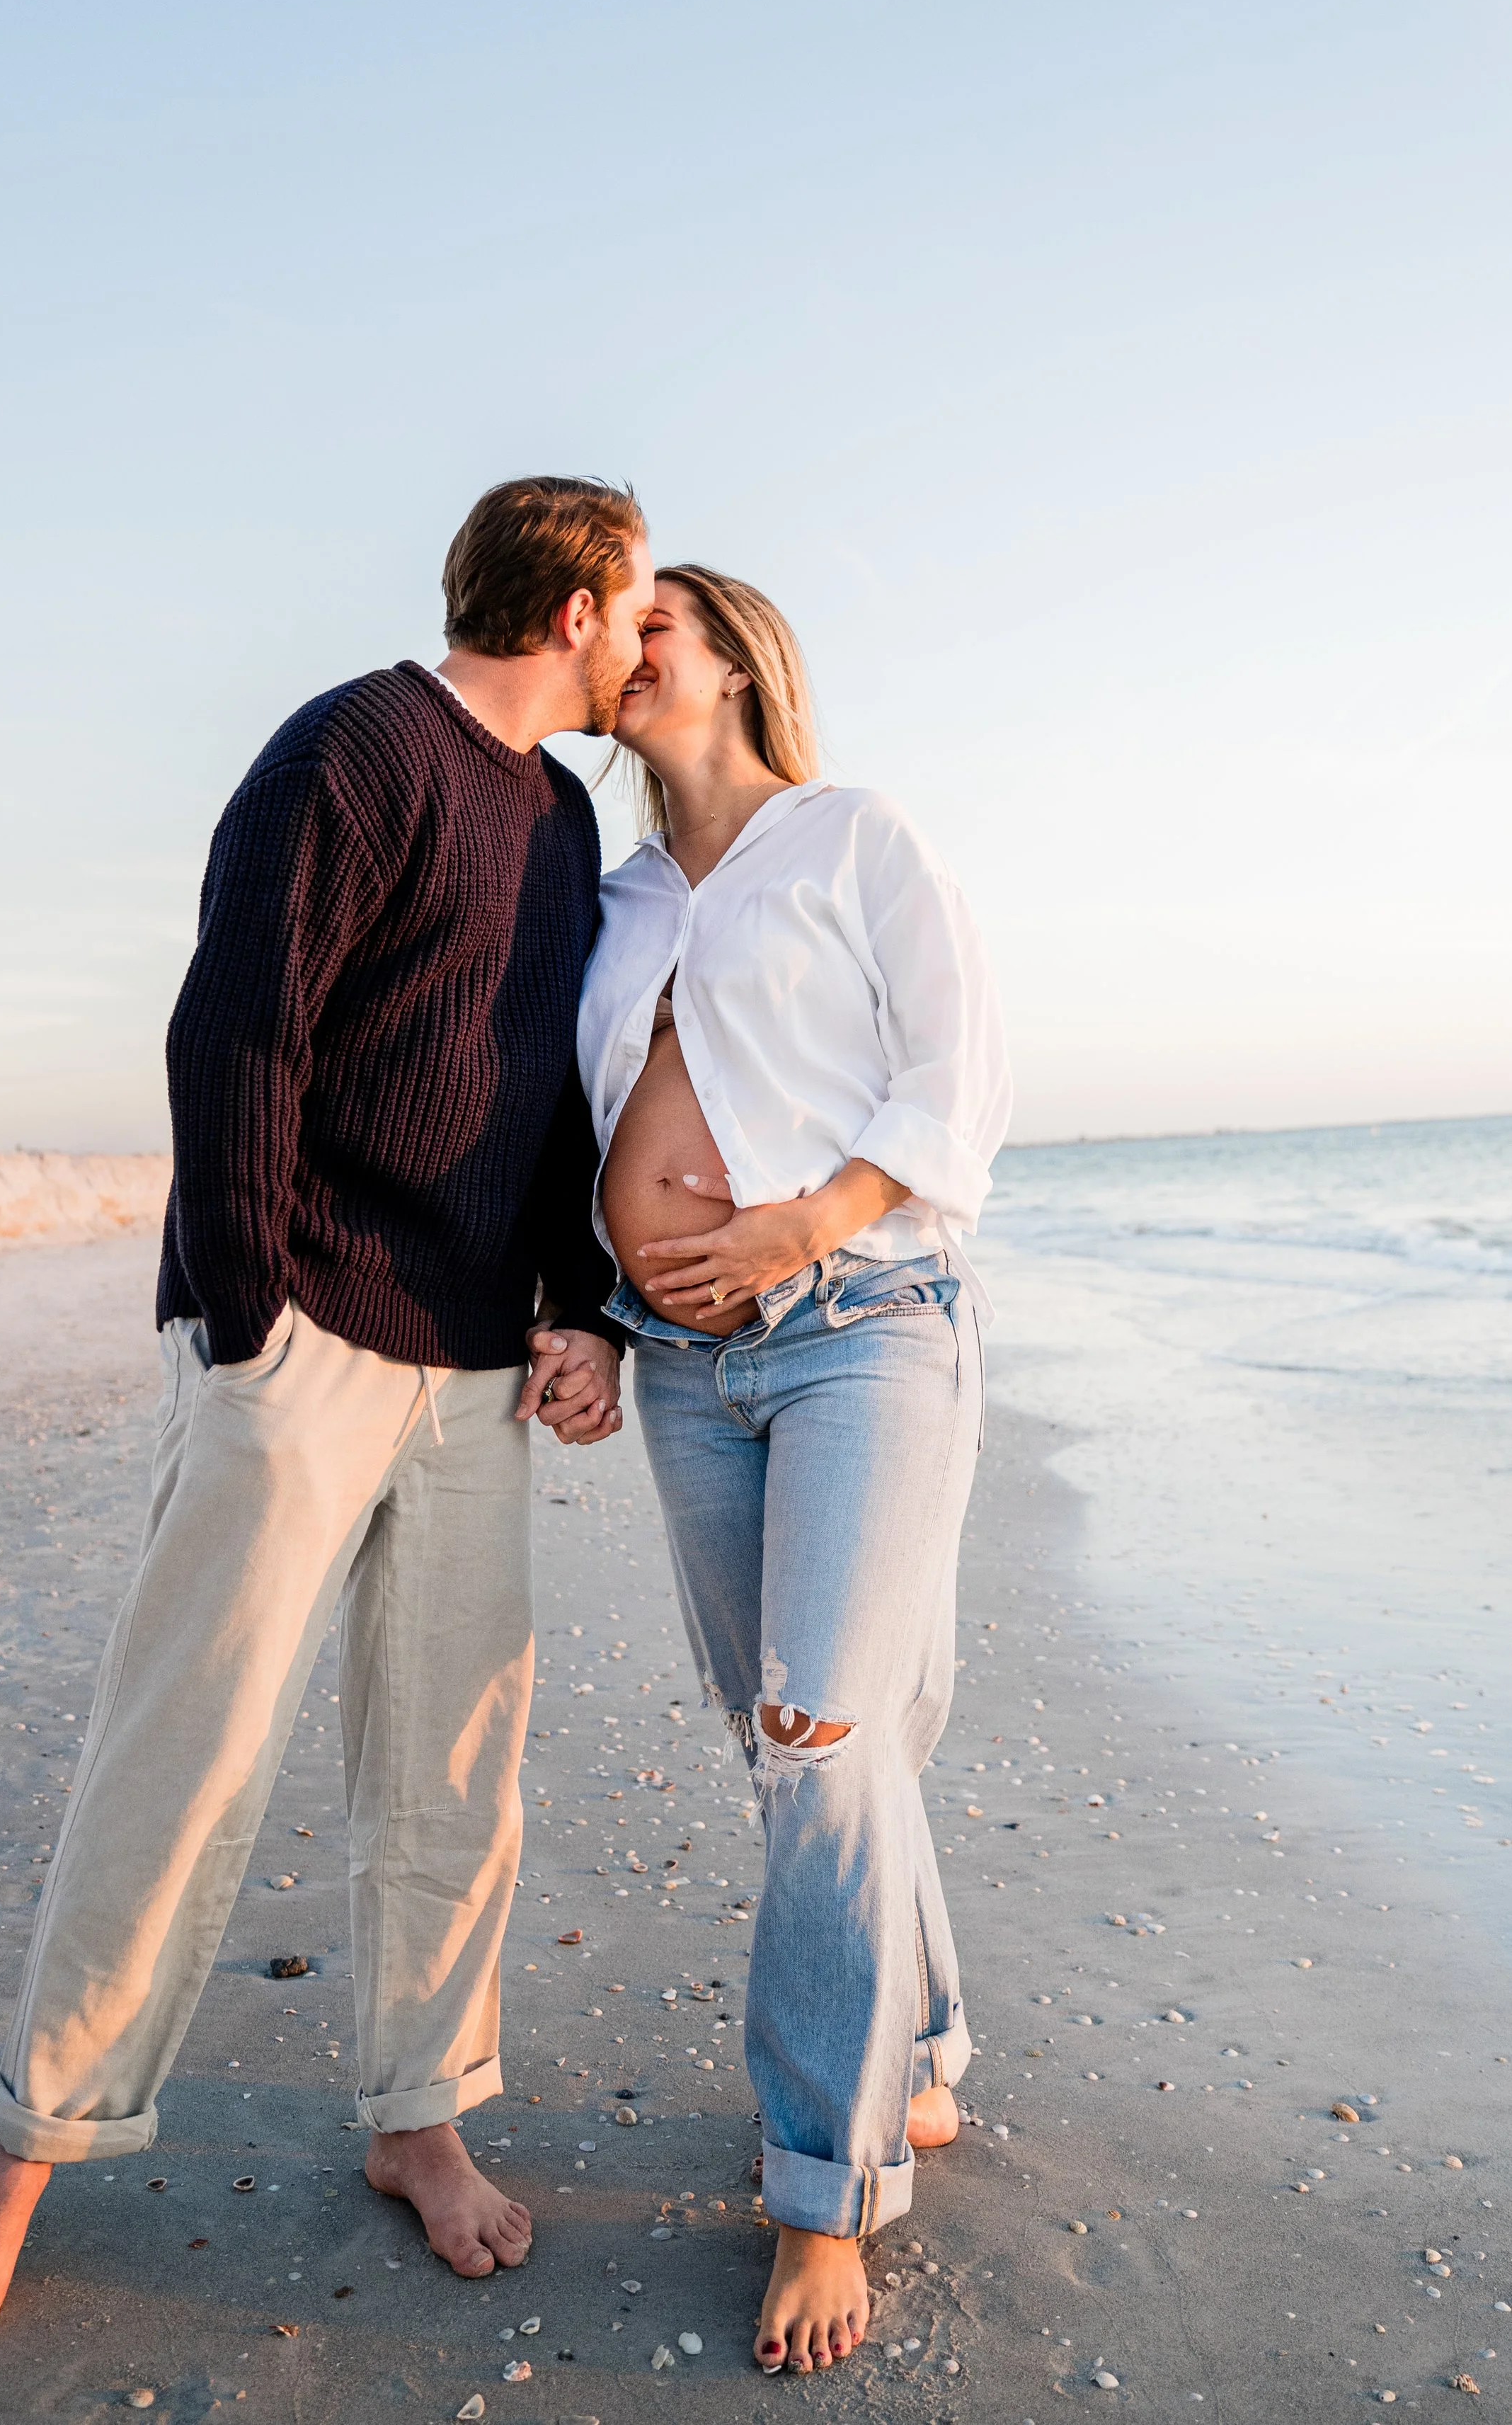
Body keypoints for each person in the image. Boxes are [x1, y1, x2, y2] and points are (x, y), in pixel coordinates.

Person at [0, 476, 647, 2350]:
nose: (647, 644)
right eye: (636, 609)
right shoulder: (355, 744)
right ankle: (26, 2138)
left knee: (452, 1768)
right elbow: (234, 1029)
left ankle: (421, 2114)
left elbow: (547, 1101)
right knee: (187, 1750)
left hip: (474, 1364)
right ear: (572, 608)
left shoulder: (560, 816)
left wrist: (580, 1310)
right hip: (301, 1331)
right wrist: (244, 1318)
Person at [576, 565, 1011, 2375]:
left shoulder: (850, 837)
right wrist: (587, 1311)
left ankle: (817, 2198)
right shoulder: (599, 897)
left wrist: (796, 1226)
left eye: (651, 618)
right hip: (677, 1366)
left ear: (736, 653)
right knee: (801, 1746)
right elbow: (569, 1125)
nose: (620, 642)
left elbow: (959, 1071)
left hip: (860, 1323)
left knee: (821, 1732)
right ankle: (912, 2041)